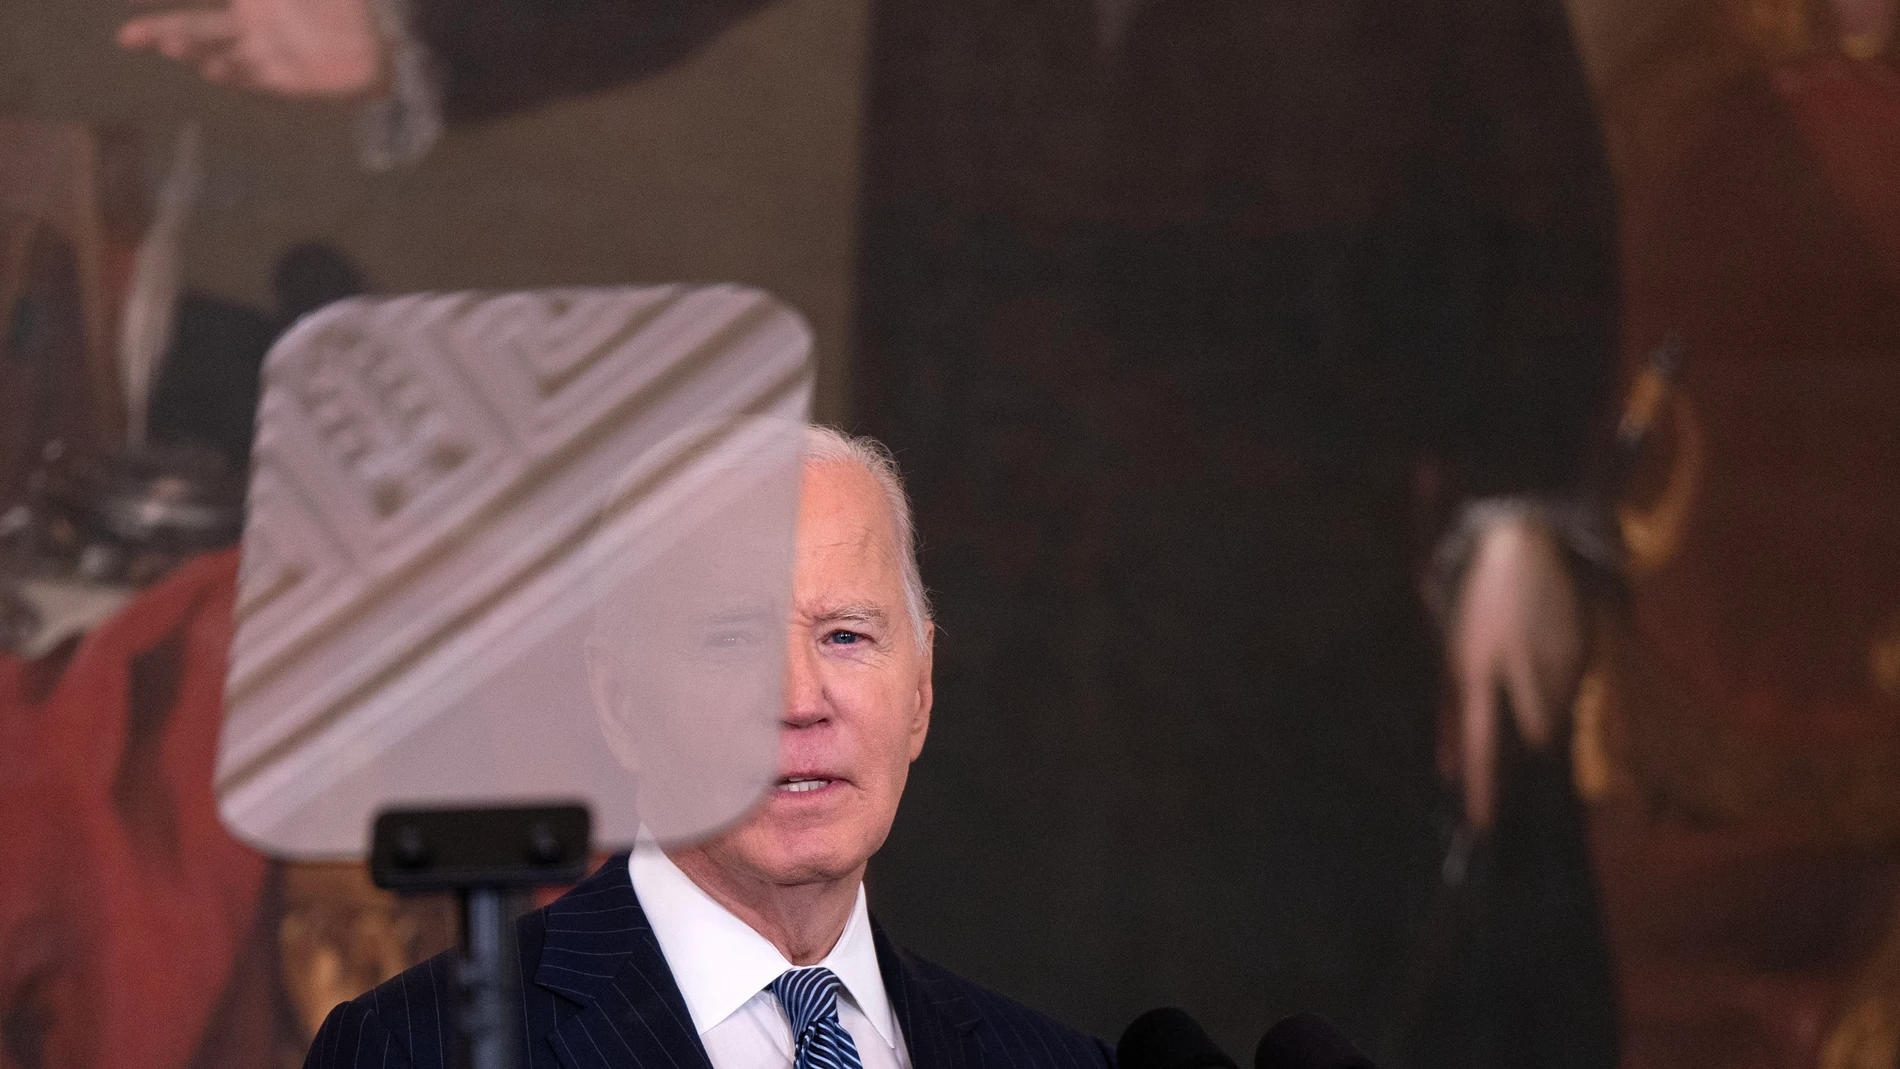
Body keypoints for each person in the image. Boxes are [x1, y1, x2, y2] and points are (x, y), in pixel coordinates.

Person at [302, 427, 1114, 1069]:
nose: (800, 702)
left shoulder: (1056, 1059)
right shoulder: (415, 1048)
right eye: (732, 640)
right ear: (620, 703)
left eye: (846, 634)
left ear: (921, 691)